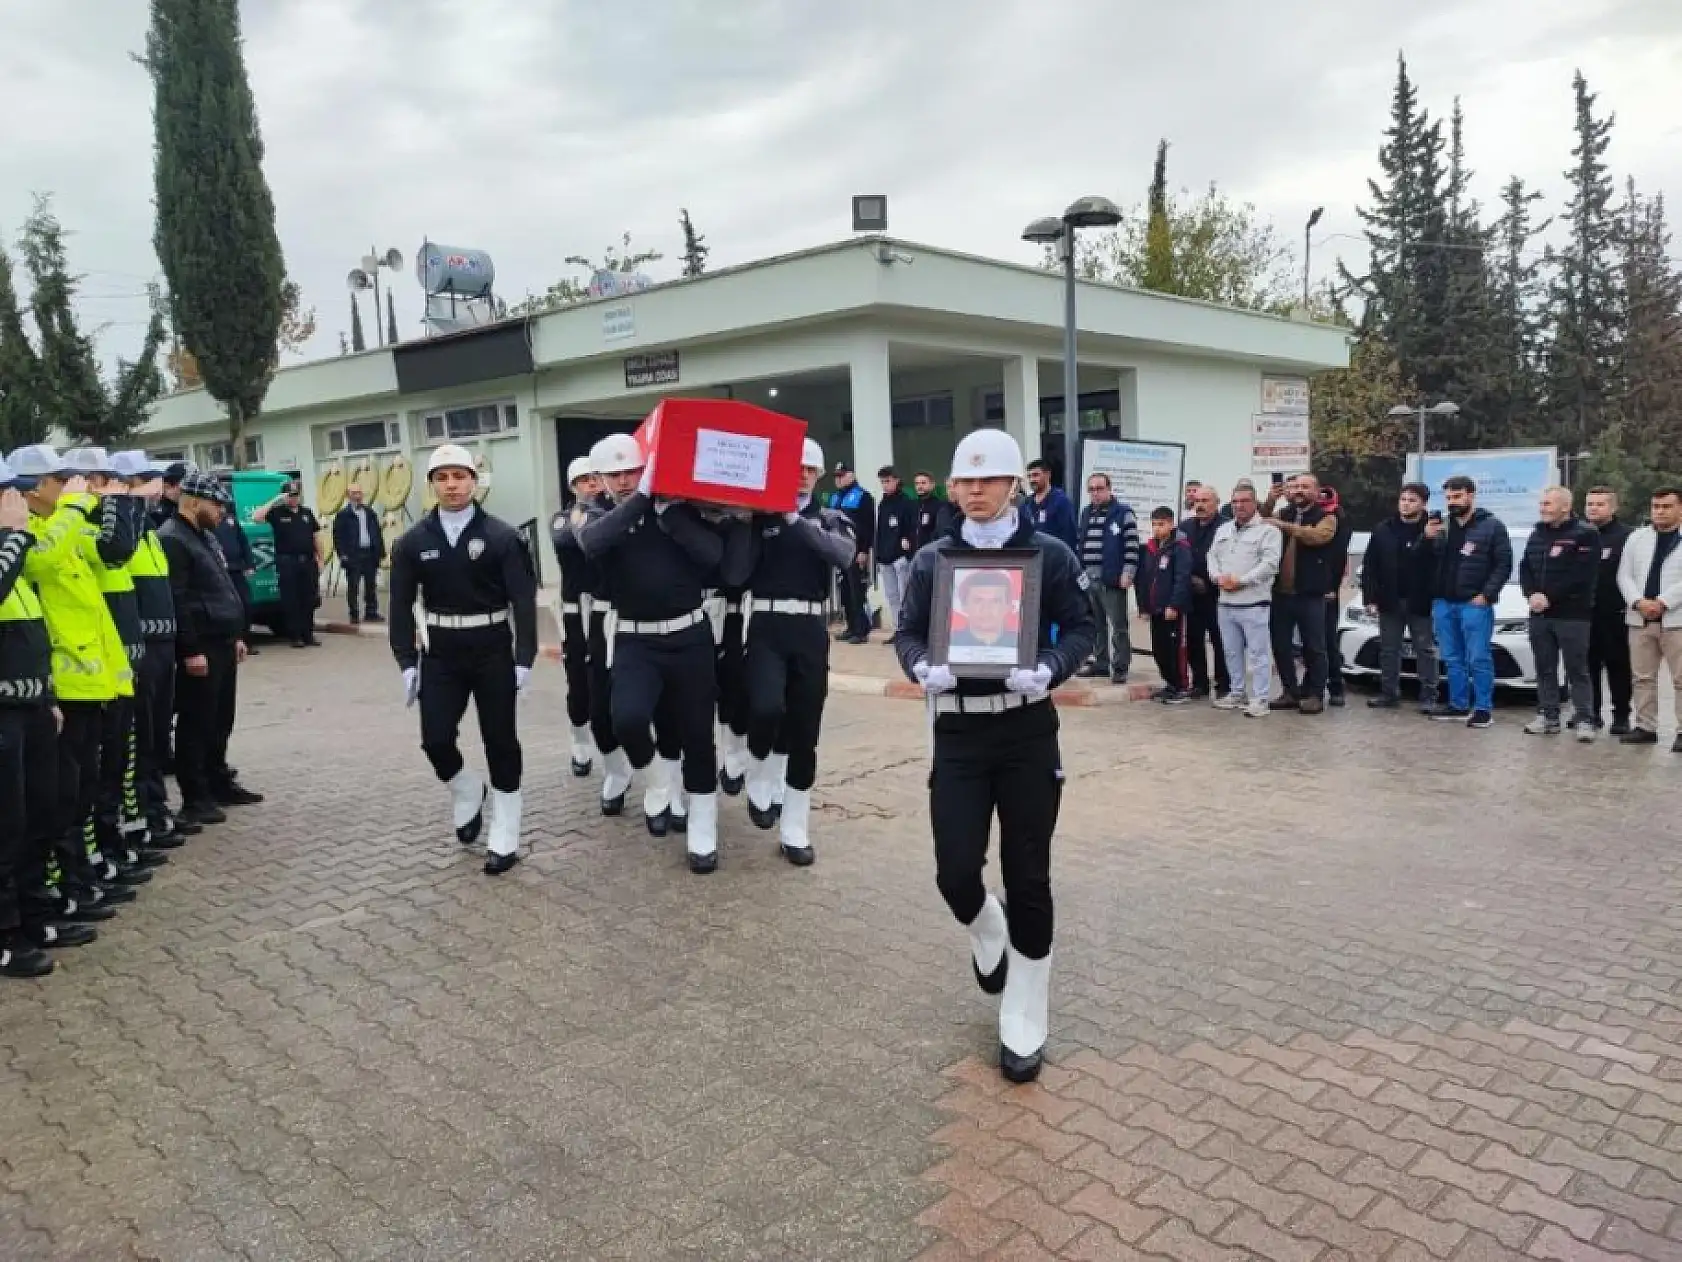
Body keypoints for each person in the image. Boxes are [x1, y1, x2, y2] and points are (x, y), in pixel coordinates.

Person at [896, 428, 1094, 1083]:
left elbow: (1087, 626)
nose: (976, 491)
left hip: (1026, 730)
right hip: (957, 733)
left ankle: (1025, 1013)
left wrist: (1052, 666)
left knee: (1028, 876)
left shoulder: (1050, 554)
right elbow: (907, 632)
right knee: (956, 873)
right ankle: (987, 932)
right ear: (952, 488)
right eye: (966, 481)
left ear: (1014, 485)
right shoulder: (933, 561)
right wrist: (922, 665)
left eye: (989, 480)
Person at [575, 436, 749, 873]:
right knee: (628, 718)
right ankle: (656, 780)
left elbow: (713, 557)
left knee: (696, 734)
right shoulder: (597, 514)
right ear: (600, 479)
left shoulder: (678, 510)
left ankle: (704, 828)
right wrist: (645, 498)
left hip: (689, 636)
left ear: (645, 469)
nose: (623, 480)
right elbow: (593, 543)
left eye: (631, 472)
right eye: (614, 474)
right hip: (635, 639)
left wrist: (671, 513)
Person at [388, 445, 538, 874]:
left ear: (474, 481)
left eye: (460, 475)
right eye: (442, 477)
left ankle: (506, 828)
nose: (452, 484)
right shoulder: (412, 542)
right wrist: (406, 661)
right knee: (435, 738)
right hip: (441, 654)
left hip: (492, 649)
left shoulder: (504, 537)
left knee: (500, 740)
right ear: (432, 484)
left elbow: (523, 602)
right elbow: (400, 606)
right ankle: (467, 789)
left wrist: (523, 657)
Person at [740, 438, 854, 865]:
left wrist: (794, 519)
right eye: (796, 466)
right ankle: (758, 772)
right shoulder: (762, 518)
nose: (802, 474)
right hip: (767, 623)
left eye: (810, 468)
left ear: (819, 475)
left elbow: (841, 554)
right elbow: (737, 569)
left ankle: (795, 827)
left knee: (804, 729)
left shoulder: (829, 517)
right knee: (767, 708)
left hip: (809, 625)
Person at [0, 455, 87, 977]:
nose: (17, 501)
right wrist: (14, 535)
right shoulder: (12, 543)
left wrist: (48, 696)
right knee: (4, 825)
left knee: (39, 813)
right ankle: (5, 934)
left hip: (29, 706)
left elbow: (35, 633)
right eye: (7, 492)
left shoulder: (13, 545)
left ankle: (33, 916)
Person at [64, 448, 165, 879]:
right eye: (107, 481)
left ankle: (120, 840)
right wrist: (120, 503)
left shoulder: (106, 519)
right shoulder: (75, 524)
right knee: (98, 768)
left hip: (121, 658)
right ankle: (102, 850)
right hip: (90, 672)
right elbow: (116, 549)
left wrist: (128, 507)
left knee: (125, 755)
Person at [159, 472, 259, 827]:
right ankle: (195, 796)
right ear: (193, 501)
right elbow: (178, 598)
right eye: (216, 504)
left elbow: (221, 587)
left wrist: (235, 636)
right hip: (200, 646)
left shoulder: (202, 536)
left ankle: (219, 781)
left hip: (221, 641)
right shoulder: (173, 538)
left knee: (220, 719)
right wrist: (190, 650)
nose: (221, 512)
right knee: (196, 722)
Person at [110, 452, 195, 846]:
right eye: (145, 480)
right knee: (140, 739)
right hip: (140, 648)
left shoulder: (149, 528)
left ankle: (157, 810)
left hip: (162, 646)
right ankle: (142, 816)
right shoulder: (120, 532)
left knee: (158, 737)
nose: (155, 487)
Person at [1423, 475, 1513, 729]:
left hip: (1473, 603)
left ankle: (1483, 709)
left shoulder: (1492, 526)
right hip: (1443, 602)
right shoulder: (1443, 527)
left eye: (1458, 496)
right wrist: (1427, 539)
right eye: (1449, 497)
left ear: (1471, 495)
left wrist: (1486, 595)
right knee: (1452, 657)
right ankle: (1458, 704)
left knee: (1478, 657)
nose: (1452, 502)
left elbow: (1503, 563)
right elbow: (1424, 561)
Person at [1518, 486, 1600, 740]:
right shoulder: (1536, 534)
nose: (1543, 508)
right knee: (1544, 668)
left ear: (1565, 507)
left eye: (1548, 504)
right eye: (1541, 504)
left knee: (1577, 670)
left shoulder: (1585, 534)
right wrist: (1531, 594)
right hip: (1540, 615)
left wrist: (1549, 597)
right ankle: (1548, 715)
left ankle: (1585, 719)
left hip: (1572, 615)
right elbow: (1525, 568)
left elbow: (1581, 574)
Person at [1362, 483, 1440, 712]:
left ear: (1423, 504)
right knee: (1389, 649)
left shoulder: (1434, 529)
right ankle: (1389, 693)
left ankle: (1428, 696)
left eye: (1412, 500)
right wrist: (1370, 597)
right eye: (1403, 499)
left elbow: (1437, 562)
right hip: (1390, 599)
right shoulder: (1384, 529)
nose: (1406, 504)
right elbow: (1370, 565)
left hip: (1421, 599)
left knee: (1424, 649)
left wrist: (1427, 539)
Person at [1264, 474, 1338, 714]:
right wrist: (1270, 501)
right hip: (1281, 593)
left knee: (1314, 647)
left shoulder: (1327, 517)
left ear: (1316, 492)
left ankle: (1316, 694)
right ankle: (1290, 691)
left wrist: (1285, 527)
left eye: (1305, 487)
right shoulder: (1282, 513)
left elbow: (1318, 536)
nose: (1298, 490)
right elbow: (1259, 522)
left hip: (1310, 593)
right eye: (1295, 486)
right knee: (1281, 645)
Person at [1615, 486, 1682, 751]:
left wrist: (1664, 602)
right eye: (1656, 507)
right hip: (1640, 618)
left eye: (1666, 506)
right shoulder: (1637, 538)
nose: (1660, 512)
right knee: (1642, 677)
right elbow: (1624, 575)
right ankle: (1645, 726)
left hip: (1676, 619)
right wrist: (1638, 602)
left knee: (1680, 679)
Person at [1207, 482, 1282, 717]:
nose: (1239, 506)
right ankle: (1237, 692)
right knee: (1231, 651)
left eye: (1244, 501)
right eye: (1235, 502)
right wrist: (1219, 578)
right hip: (1226, 603)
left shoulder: (1268, 531)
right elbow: (1212, 557)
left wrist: (1241, 580)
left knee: (1259, 654)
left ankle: (1260, 699)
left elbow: (1269, 565)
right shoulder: (1223, 530)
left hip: (1254, 603)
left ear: (1255, 503)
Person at [550, 458, 600, 778]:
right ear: (573, 486)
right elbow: (566, 539)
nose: (591, 485)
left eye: (596, 478)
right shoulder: (562, 518)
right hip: (575, 610)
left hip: (610, 609)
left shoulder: (614, 514)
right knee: (579, 679)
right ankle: (580, 740)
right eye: (584, 480)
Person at [1074, 474, 1137, 684]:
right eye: (1091, 489)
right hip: (1088, 577)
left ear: (1109, 488)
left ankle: (1120, 666)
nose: (1095, 493)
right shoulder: (1085, 513)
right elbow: (1079, 543)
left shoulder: (1123, 513)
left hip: (1112, 577)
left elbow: (1132, 545)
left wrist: (1128, 572)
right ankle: (1101, 663)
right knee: (1096, 624)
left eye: (1099, 488)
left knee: (1118, 625)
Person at [1584, 486, 1633, 734]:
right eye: (1590, 504)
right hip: (1584, 614)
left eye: (1600, 504)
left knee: (1618, 666)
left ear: (1613, 508)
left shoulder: (1627, 537)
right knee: (1587, 666)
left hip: (1615, 614)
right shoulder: (1580, 534)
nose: (1593, 508)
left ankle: (1621, 715)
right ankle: (1591, 713)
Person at [254, 481, 322, 648]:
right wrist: (276, 499)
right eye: (290, 495)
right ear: (285, 497)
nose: (293, 499)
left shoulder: (307, 513)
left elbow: (316, 537)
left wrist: (320, 558)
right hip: (287, 562)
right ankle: (295, 635)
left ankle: (308, 634)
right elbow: (257, 517)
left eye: (296, 495)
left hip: (307, 562)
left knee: (309, 599)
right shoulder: (277, 513)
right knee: (291, 600)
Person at [1138, 506, 1193, 705]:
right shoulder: (1151, 548)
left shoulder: (1180, 548)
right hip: (1156, 610)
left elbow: (1182, 578)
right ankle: (1169, 683)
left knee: (1175, 649)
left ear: (1171, 524)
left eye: (1161, 524)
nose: (1157, 528)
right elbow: (1144, 579)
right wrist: (1144, 607)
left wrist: (1174, 605)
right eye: (1154, 524)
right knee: (1159, 649)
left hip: (1172, 610)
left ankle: (1181, 686)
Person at [1179, 486, 1228, 699]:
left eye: (1205, 500)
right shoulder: (1185, 527)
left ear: (1216, 503)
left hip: (1218, 593)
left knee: (1220, 640)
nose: (1200, 505)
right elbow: (1178, 556)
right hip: (1192, 593)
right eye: (1197, 501)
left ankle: (1224, 683)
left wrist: (1209, 580)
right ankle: (1199, 682)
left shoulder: (1226, 526)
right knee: (1194, 639)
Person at [825, 463, 875, 644]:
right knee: (844, 591)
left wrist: (863, 550)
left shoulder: (863, 497)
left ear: (851, 475)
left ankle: (862, 630)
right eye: (836, 476)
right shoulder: (834, 498)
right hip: (838, 551)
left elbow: (868, 527)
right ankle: (851, 626)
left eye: (842, 475)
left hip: (856, 551)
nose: (838, 479)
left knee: (857, 591)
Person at [1317, 484, 1354, 706]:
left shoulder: (1339, 518)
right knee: (1311, 642)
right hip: (1307, 587)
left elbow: (1339, 556)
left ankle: (1336, 685)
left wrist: (1332, 586)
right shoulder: (1310, 515)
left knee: (1328, 639)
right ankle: (1313, 685)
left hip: (1328, 587)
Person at [332, 483, 386, 625]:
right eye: (354, 493)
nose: (358, 496)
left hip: (369, 553)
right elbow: (338, 536)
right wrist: (342, 554)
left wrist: (380, 551)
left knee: (371, 585)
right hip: (353, 554)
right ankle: (354, 613)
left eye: (359, 493)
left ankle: (371, 612)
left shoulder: (369, 512)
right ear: (348, 496)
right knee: (353, 586)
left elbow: (377, 532)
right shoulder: (343, 515)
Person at [874, 466, 914, 634]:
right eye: (882, 482)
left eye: (888, 481)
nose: (885, 485)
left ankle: (908, 629)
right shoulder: (883, 503)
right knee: (892, 595)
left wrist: (907, 541)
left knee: (904, 594)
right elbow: (880, 530)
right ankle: (898, 629)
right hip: (885, 555)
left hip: (900, 555)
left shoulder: (906, 502)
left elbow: (912, 526)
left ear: (897, 480)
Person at [213, 506, 257, 651]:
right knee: (226, 607)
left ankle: (245, 640)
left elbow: (244, 542)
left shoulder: (231, 519)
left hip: (237, 569)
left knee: (245, 605)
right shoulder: (209, 521)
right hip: (221, 571)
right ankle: (229, 642)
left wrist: (249, 564)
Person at [1025, 458, 1079, 553]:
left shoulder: (1060, 501)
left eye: (1036, 475)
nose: (1032, 480)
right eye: (1029, 476)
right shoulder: (1026, 503)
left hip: (1054, 558)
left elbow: (1069, 535)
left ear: (1048, 475)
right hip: (1032, 558)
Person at [910, 471, 948, 554]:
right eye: (917, 484)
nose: (919, 486)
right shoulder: (911, 506)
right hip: (912, 556)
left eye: (923, 483)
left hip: (931, 554)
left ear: (932, 485)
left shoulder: (940, 506)